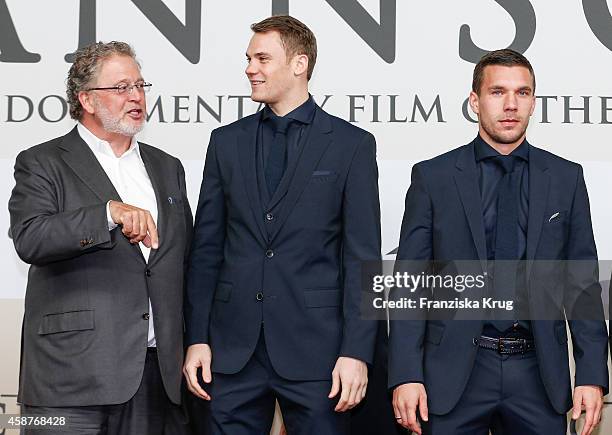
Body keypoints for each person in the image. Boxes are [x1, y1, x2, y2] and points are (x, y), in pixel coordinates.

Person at [388, 49, 609, 435]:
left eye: (523, 93)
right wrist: (406, 374)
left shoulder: (565, 178)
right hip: (454, 371)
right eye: (497, 92)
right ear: (475, 100)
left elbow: (582, 286)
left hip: (538, 373)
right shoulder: (433, 177)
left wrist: (591, 375)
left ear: (534, 102)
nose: (511, 105)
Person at [183, 15, 381, 435]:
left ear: (299, 64)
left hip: (319, 355)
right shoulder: (225, 142)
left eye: (262, 58)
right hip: (232, 353)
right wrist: (197, 337)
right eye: (248, 58)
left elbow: (363, 259)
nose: (250, 68)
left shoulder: (352, 145)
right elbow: (206, 251)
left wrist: (356, 352)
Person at [9, 41, 192, 434]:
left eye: (141, 86)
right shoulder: (42, 161)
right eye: (122, 87)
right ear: (87, 100)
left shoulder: (167, 167)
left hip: (155, 375)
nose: (136, 97)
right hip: (70, 375)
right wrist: (106, 214)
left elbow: (184, 258)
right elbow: (30, 238)